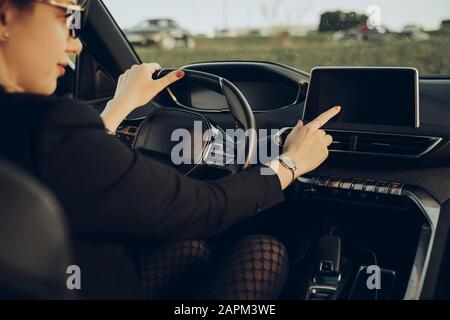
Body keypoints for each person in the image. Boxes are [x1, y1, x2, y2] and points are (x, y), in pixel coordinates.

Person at [0, 0, 340, 299]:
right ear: (5, 16)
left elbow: (70, 169)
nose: (75, 43)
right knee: (265, 251)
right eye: (66, 17)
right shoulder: (52, 125)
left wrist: (119, 107)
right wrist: (290, 163)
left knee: (192, 250)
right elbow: (205, 207)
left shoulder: (31, 130)